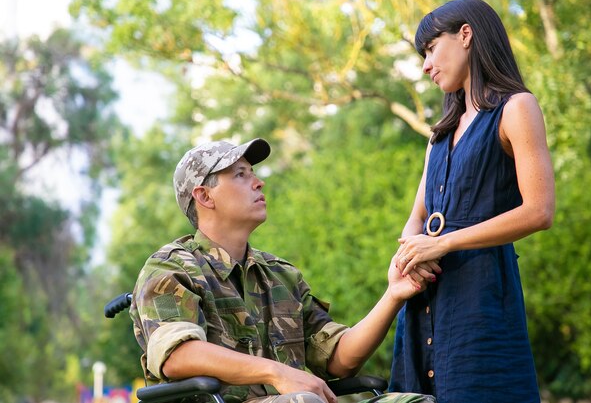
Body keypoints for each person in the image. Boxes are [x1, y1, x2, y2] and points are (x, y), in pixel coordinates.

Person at [129, 138, 437, 403]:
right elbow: (176, 356)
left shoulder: (280, 276)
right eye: (240, 174)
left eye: (253, 172)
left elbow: (340, 359)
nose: (258, 181)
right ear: (204, 196)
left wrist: (394, 294)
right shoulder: (171, 267)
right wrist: (277, 372)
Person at [388, 0, 555, 403]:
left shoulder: (516, 108)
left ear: (466, 35)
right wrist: (408, 256)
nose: (426, 65)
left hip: (482, 301)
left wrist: (443, 243)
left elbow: (539, 211)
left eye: (430, 49)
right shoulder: (438, 135)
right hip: (424, 298)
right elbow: (417, 218)